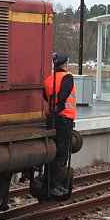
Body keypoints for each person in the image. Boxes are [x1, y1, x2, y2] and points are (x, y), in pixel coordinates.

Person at [42, 53, 76, 197]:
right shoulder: (67, 78)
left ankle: (49, 183)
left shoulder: (49, 80)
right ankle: (53, 185)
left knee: (53, 153)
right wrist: (59, 109)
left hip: (52, 120)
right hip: (64, 119)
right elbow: (62, 97)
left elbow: (45, 96)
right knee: (61, 154)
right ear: (66, 64)